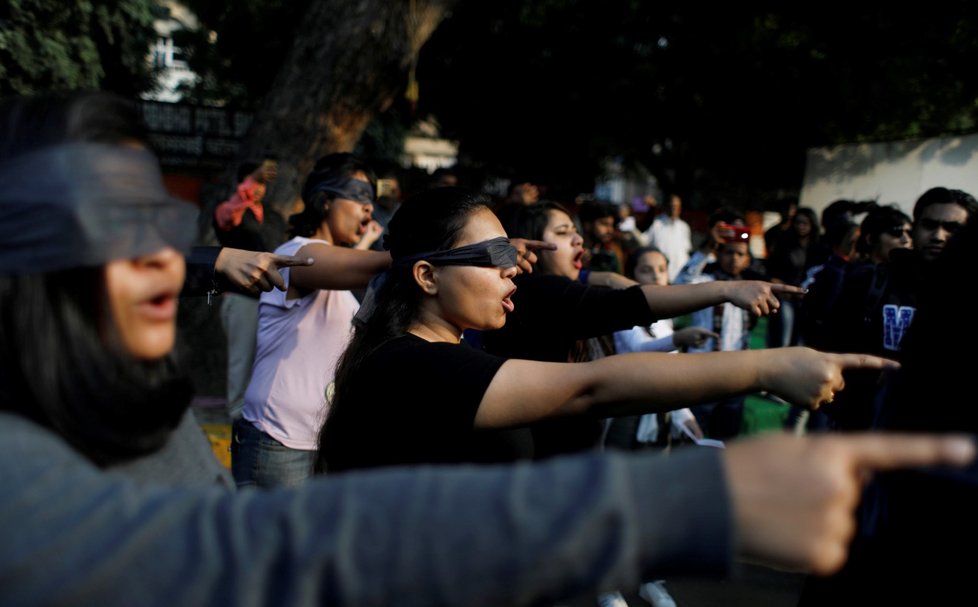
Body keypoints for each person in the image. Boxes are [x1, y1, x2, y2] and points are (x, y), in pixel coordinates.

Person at [1, 91, 973, 607]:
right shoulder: (354, 310)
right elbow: (260, 550)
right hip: (279, 442)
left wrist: (724, 294)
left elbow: (614, 306)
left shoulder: (151, 408)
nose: (166, 269)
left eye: (161, 239)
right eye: (122, 246)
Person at [318, 186, 907, 474]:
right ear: (425, 276)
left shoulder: (428, 352)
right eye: (492, 254)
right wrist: (766, 366)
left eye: (510, 250)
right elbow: (592, 386)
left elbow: (627, 305)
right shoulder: (410, 366)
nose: (511, 267)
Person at [485, 200, 791, 461]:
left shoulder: (548, 291)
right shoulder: (540, 293)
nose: (578, 240)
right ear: (528, 247)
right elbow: (627, 305)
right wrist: (727, 291)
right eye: (563, 233)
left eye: (576, 231)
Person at [232, 152, 389, 488]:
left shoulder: (336, 275)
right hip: (277, 441)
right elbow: (345, 265)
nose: (369, 208)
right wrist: (438, 252)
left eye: (372, 200)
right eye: (359, 195)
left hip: (316, 441)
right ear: (326, 200)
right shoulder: (297, 252)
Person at [818, 187, 978, 431]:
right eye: (929, 225)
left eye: (952, 228)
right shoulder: (871, 281)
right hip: (864, 426)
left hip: (941, 439)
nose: (939, 235)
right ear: (914, 228)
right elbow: (832, 345)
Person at [605, 246, 716, 451]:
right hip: (629, 409)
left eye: (662, 269)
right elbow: (639, 350)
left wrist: (686, 417)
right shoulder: (622, 310)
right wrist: (679, 338)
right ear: (630, 276)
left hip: (660, 407)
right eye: (646, 270)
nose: (656, 276)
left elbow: (670, 375)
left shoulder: (664, 317)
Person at [213, 157, 281, 421]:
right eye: (257, 182)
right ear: (243, 183)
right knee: (241, 360)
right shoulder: (230, 209)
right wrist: (249, 184)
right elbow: (229, 215)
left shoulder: (267, 216)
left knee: (260, 360)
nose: (261, 188)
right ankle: (236, 416)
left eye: (264, 183)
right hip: (240, 298)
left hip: (266, 298)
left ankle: (253, 415)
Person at [642, 192, 691, 282]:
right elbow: (643, 243)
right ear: (665, 207)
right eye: (672, 206)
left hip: (681, 278)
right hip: (661, 278)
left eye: (677, 206)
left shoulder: (684, 227)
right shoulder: (656, 224)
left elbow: (686, 252)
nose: (674, 209)